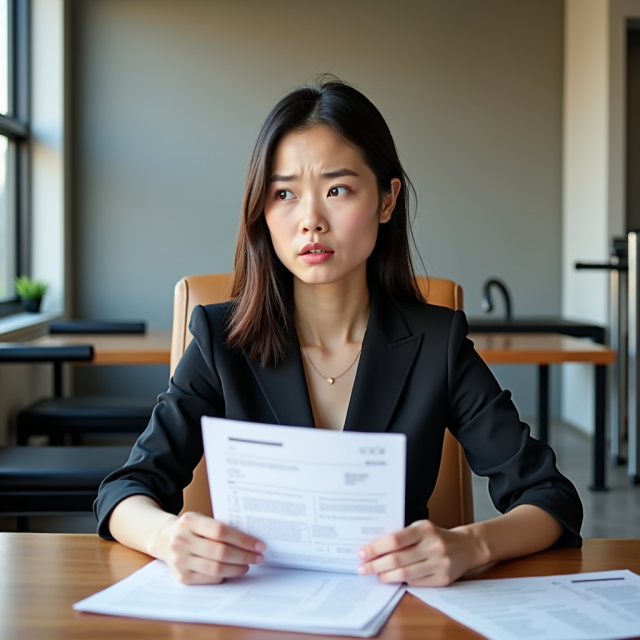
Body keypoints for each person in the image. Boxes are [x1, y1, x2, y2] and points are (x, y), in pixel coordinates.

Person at [96, 77, 582, 588]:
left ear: (387, 201)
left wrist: (469, 543)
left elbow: (551, 497)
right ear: (262, 209)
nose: (311, 221)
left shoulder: (435, 345)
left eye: (338, 189)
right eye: (284, 193)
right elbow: (126, 490)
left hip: (398, 612)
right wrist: (165, 537)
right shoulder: (222, 340)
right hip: (255, 611)